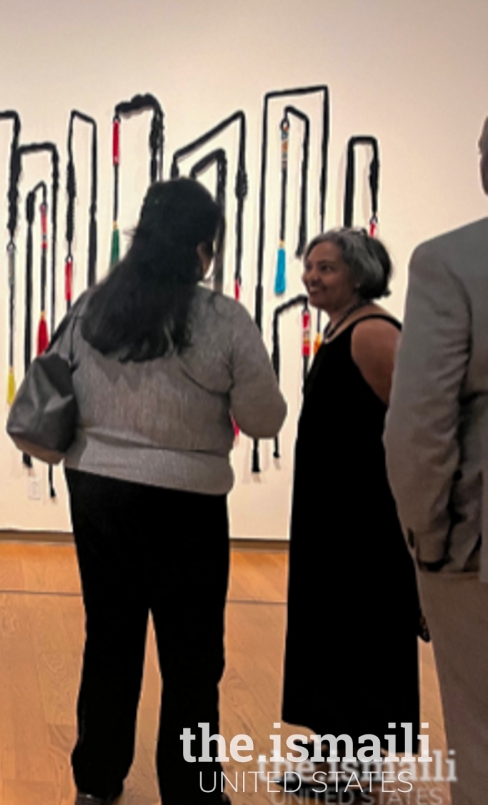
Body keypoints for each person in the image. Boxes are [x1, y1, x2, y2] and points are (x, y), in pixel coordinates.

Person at [58, 179, 286, 805]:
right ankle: (191, 791)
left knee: (109, 639)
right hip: (187, 501)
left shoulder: (92, 309)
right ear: (203, 247)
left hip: (97, 490)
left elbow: (60, 387)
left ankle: (96, 784)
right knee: (191, 657)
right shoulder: (220, 317)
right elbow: (264, 418)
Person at [281, 229, 421, 767]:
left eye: (327, 268)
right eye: (310, 267)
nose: (312, 277)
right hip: (334, 517)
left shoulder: (372, 334)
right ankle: (335, 749)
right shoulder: (343, 327)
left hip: (363, 520)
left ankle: (354, 765)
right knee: (332, 632)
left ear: (359, 275)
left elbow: (412, 422)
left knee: (359, 633)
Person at [385, 116, 488, 804]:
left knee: (481, 736)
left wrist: (427, 538)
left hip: (475, 547)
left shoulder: (450, 262)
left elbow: (419, 425)